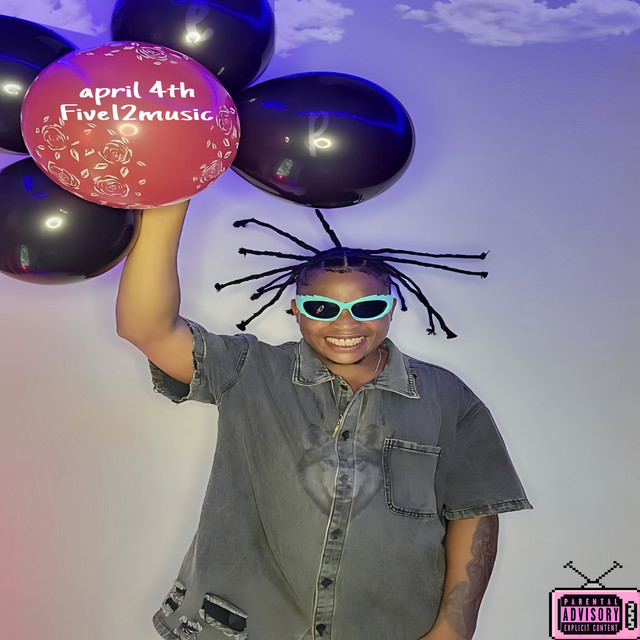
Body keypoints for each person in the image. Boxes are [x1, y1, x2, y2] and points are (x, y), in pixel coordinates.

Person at [116, 200, 532, 640]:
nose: (345, 324)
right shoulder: (247, 369)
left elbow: (473, 512)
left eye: (367, 308)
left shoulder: (447, 398)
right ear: (296, 309)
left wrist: (453, 629)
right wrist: (169, 198)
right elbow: (146, 328)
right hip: (239, 628)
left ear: (391, 308)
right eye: (321, 308)